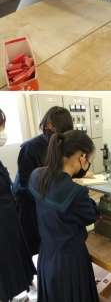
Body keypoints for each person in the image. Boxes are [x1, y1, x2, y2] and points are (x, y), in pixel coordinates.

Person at [28, 130, 99, 302]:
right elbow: (92, 214)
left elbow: (56, 194)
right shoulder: (77, 193)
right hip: (70, 263)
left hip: (46, 256)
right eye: (89, 159)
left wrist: (71, 182)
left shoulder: (36, 176)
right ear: (82, 157)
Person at [13, 106, 73, 256]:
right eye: (50, 127)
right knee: (35, 244)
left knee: (51, 241)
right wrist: (50, 195)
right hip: (30, 203)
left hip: (48, 200)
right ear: (46, 125)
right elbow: (26, 184)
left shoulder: (62, 144)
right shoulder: (30, 148)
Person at [0, 109, 36, 302]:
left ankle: (12, 294)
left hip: (8, 217)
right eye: (1, 127)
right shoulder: (29, 148)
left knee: (13, 259)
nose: (3, 132)